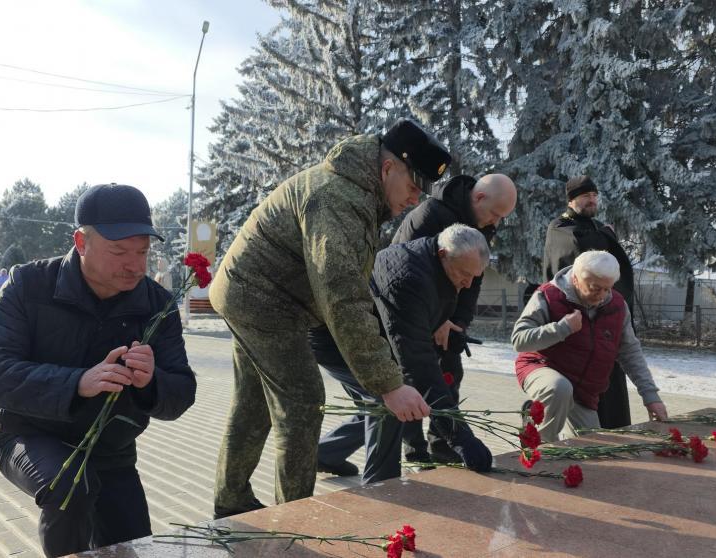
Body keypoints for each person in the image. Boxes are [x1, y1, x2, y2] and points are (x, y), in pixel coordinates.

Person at [208, 119, 450, 518]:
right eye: (412, 187)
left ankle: (231, 502)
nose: (414, 201)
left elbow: (348, 287)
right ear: (388, 168)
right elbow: (341, 294)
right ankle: (295, 521)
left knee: (252, 405)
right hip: (263, 301)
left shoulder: (357, 192)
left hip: (252, 294)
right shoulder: (338, 198)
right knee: (303, 403)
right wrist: (388, 385)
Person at [0, 183, 197, 557]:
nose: (135, 264)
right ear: (81, 241)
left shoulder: (156, 304)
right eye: (120, 251)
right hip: (30, 433)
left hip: (111, 450)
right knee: (70, 490)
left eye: (142, 251)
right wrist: (76, 383)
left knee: (133, 547)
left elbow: (181, 393)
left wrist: (151, 384)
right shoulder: (28, 285)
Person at [316, 225, 495, 484]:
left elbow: (418, 320)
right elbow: (418, 364)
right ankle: (382, 490)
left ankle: (325, 454)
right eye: (464, 275)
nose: (468, 284)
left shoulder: (440, 265)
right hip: (337, 339)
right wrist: (461, 437)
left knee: (390, 401)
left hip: (374, 338)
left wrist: (443, 325)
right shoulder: (407, 277)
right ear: (443, 253)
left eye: (475, 277)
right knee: (391, 399)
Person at [391, 173, 517, 465]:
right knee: (415, 378)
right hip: (414, 317)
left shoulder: (482, 226)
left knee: (449, 378)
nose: (496, 223)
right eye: (495, 214)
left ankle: (443, 443)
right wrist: (435, 321)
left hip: (447, 320)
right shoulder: (431, 214)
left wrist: (458, 322)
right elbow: (404, 274)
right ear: (479, 197)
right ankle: (415, 449)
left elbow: (473, 280)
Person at [512, 251, 668, 442]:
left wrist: (650, 396)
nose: (602, 296)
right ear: (576, 279)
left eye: (607, 289)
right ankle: (538, 447)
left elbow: (630, 352)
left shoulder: (617, 306)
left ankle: (538, 418)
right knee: (559, 388)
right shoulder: (548, 296)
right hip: (540, 368)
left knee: (590, 448)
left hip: (584, 391)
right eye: (595, 288)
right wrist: (562, 328)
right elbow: (519, 340)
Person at [542, 176, 636, 429]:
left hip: (605, 320)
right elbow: (579, 257)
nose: (592, 200)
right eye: (586, 196)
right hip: (577, 322)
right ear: (572, 200)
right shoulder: (559, 227)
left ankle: (614, 432)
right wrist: (606, 237)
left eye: (595, 195)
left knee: (611, 377)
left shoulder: (595, 227)